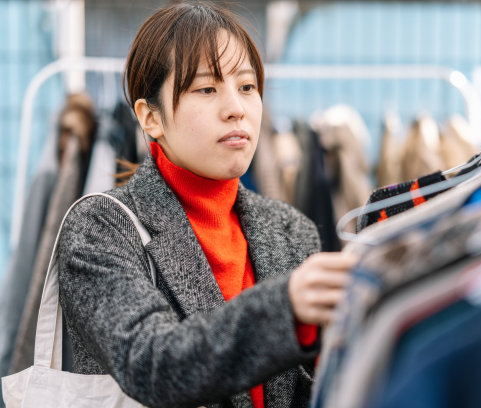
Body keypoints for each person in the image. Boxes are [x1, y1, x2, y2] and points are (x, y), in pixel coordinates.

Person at [56, 2, 356, 408]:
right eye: (206, 88)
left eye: (247, 87)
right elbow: (153, 363)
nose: (236, 108)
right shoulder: (101, 227)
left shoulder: (291, 229)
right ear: (150, 118)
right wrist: (286, 308)